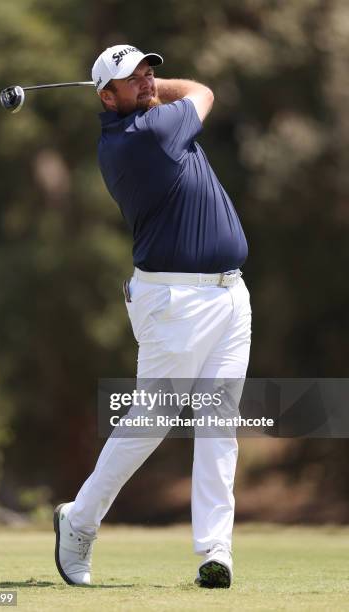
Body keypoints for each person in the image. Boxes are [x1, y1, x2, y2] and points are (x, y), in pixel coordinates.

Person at [54, 44, 251, 589]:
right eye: (130, 78)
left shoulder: (145, 124)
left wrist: (138, 89)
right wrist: (155, 93)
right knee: (151, 421)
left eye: (148, 71)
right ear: (105, 96)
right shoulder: (147, 136)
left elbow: (176, 97)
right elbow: (204, 91)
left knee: (219, 426)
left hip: (230, 295)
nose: (146, 81)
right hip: (175, 304)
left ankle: (216, 551)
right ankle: (79, 519)